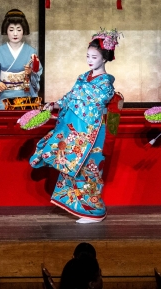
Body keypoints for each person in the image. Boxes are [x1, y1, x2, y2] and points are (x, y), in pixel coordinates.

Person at [30, 30, 122, 223]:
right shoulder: (83, 78)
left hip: (93, 130)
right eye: (88, 56)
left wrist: (69, 103)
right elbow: (71, 96)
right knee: (75, 168)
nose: (90, 60)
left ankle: (93, 209)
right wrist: (56, 103)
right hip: (78, 129)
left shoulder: (106, 84)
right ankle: (79, 205)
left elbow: (90, 104)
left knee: (90, 169)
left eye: (94, 57)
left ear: (104, 58)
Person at [0, 9, 42, 109]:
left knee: (29, 112)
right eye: (11, 30)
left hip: (26, 94)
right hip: (5, 95)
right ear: (6, 31)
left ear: (24, 30)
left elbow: (37, 72)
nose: (15, 34)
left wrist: (31, 72)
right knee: (2, 108)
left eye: (19, 30)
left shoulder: (31, 51)